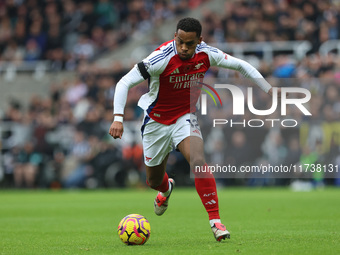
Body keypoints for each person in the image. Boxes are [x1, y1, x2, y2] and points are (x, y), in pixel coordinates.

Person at [109, 17, 277, 242]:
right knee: (153, 181)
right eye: (180, 42)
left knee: (198, 161)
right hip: (155, 122)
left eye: (190, 43)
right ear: (175, 37)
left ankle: (216, 221)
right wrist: (118, 118)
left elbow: (240, 65)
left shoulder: (207, 54)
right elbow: (123, 83)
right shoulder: (159, 58)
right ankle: (166, 188)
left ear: (200, 40)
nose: (184, 48)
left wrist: (268, 89)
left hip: (184, 117)